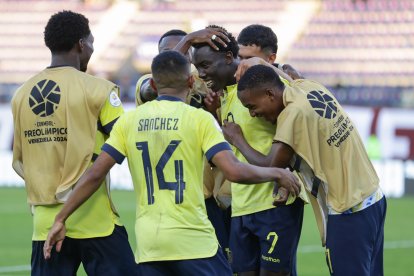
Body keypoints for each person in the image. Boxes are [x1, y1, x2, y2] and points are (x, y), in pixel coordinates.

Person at [43, 51, 301, 276]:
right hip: (194, 241)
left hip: (150, 245)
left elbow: (94, 175)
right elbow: (233, 170)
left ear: (153, 85)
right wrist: (276, 173)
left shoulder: (128, 122)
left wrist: (61, 218)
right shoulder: (199, 119)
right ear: (191, 81)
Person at [11, 11, 137, 276]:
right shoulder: (100, 90)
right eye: (91, 43)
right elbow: (127, 143)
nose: (91, 49)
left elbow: (20, 160)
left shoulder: (21, 95)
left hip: (45, 225)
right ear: (81, 44)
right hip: (95, 219)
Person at [230, 64, 386, 276]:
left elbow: (271, 165)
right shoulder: (307, 86)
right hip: (373, 199)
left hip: (348, 211)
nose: (252, 114)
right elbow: (292, 77)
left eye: (252, 106)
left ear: (269, 94)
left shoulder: (292, 115)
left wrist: (238, 139)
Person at [188, 25, 304, 276]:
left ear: (229, 58)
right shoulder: (223, 95)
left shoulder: (262, 83)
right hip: (241, 207)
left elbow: (297, 110)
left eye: (205, 66)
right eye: (198, 68)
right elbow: (167, 71)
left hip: (274, 204)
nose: (201, 73)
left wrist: (281, 69)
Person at [135, 28, 232, 260]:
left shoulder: (205, 82)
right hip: (166, 200)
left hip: (207, 196)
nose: (176, 56)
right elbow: (153, 87)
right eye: (166, 54)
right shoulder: (148, 84)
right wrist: (187, 40)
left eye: (183, 50)